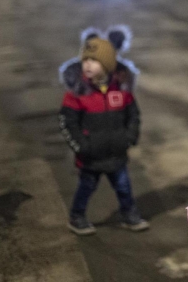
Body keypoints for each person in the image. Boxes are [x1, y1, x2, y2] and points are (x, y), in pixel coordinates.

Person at [58, 27, 148, 236]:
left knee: (124, 187)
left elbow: (133, 115)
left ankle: (129, 214)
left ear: (107, 65)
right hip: (91, 155)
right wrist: (81, 145)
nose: (87, 64)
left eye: (94, 60)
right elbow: (67, 122)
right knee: (86, 188)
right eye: (85, 60)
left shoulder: (121, 90)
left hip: (116, 152)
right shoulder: (78, 94)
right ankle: (77, 216)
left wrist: (129, 136)